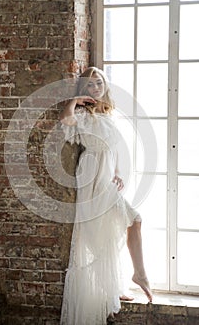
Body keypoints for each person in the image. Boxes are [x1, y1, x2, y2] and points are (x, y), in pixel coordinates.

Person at [60, 67, 152, 325]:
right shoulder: (82, 113)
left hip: (107, 173)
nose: (95, 88)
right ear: (84, 90)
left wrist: (119, 171)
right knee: (118, 226)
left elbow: (112, 147)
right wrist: (74, 101)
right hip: (91, 175)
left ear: (105, 84)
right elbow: (65, 121)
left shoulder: (107, 113)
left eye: (98, 82)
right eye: (89, 85)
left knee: (128, 222)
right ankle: (133, 278)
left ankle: (130, 278)